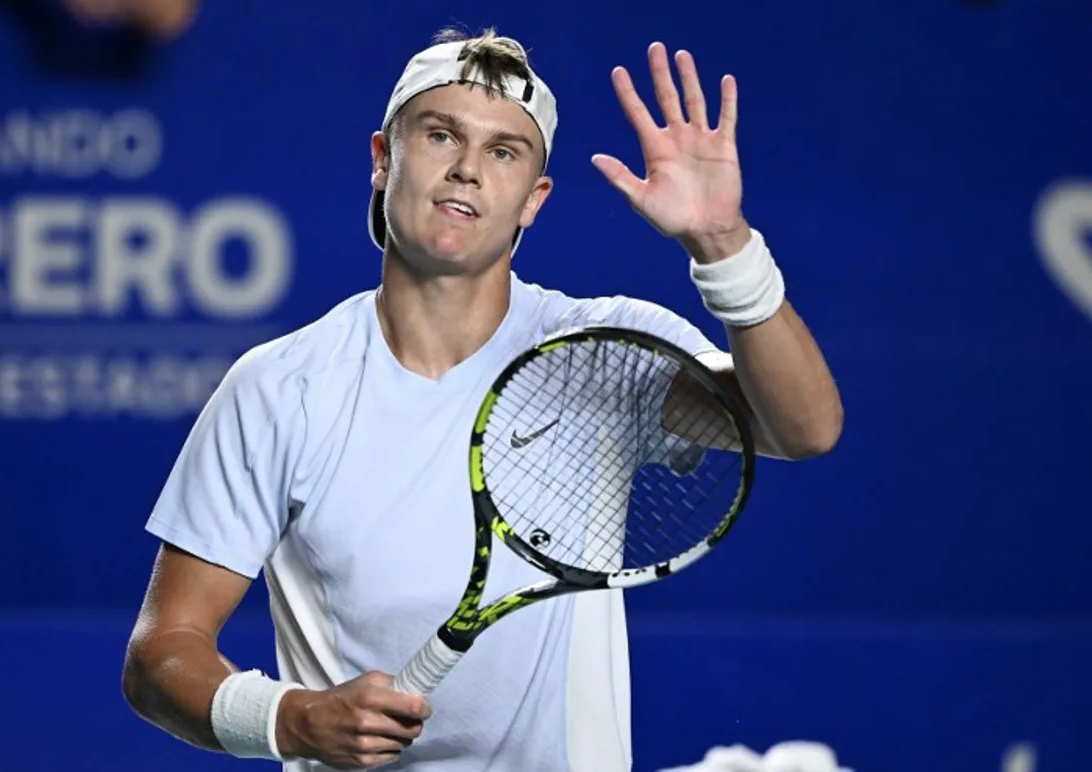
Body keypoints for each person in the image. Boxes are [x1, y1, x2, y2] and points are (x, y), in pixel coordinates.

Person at [121, 26, 843, 772]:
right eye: (440, 136)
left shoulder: (602, 350)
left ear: (534, 200)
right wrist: (290, 717)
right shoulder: (279, 388)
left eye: (503, 152)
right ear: (382, 159)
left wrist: (725, 244)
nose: (467, 170)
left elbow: (804, 428)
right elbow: (161, 655)